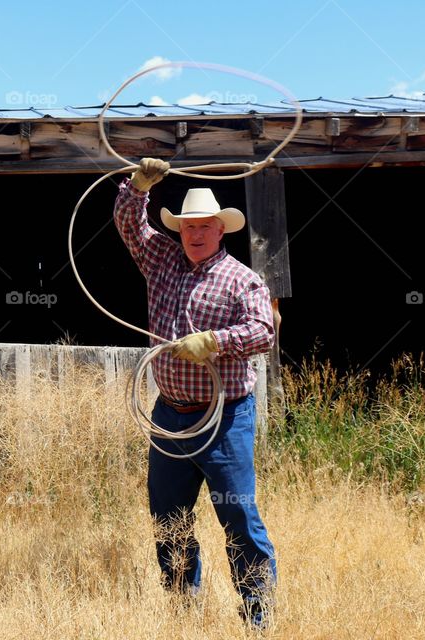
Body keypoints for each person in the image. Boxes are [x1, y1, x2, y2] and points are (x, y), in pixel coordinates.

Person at [113, 157, 277, 628]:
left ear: (220, 230)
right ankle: (182, 610)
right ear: (180, 229)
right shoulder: (161, 259)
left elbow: (263, 331)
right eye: (188, 226)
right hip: (170, 417)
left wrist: (214, 342)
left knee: (239, 520)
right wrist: (139, 185)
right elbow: (129, 224)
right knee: (168, 517)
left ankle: (258, 618)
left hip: (224, 417)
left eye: (205, 226)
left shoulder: (242, 278)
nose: (196, 233)